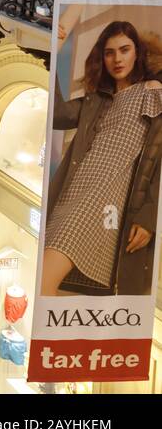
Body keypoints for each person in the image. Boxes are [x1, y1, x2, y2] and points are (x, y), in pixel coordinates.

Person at [41, 18, 161, 297]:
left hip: (107, 199)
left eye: (124, 49)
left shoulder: (153, 92)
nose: (117, 59)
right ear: (102, 58)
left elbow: (159, 161)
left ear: (137, 53)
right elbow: (57, 114)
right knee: (49, 280)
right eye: (110, 52)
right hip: (75, 190)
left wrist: (149, 217)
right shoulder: (95, 100)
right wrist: (53, 52)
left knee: (47, 275)